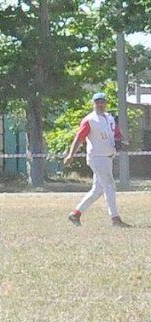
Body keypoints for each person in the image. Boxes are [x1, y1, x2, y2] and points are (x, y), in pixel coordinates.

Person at [65, 91, 131, 228]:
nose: (100, 104)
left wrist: (122, 141)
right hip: (97, 157)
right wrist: (71, 154)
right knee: (110, 186)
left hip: (108, 157)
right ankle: (115, 218)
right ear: (93, 104)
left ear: (106, 103)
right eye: (97, 102)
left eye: (102, 101)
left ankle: (75, 214)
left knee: (97, 190)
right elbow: (79, 138)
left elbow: (117, 133)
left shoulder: (110, 117)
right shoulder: (90, 120)